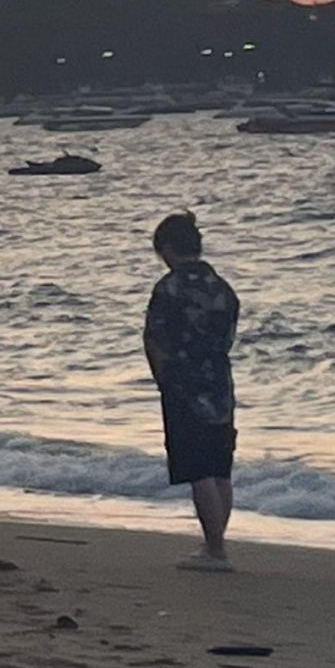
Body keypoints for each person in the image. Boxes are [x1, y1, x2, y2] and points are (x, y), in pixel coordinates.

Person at [143, 210, 241, 572]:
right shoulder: (222, 288)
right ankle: (215, 543)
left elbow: (154, 340)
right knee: (219, 468)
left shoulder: (169, 288)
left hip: (184, 384)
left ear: (168, 249)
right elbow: (228, 337)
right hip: (219, 381)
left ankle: (215, 550)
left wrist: (163, 380)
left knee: (197, 468)